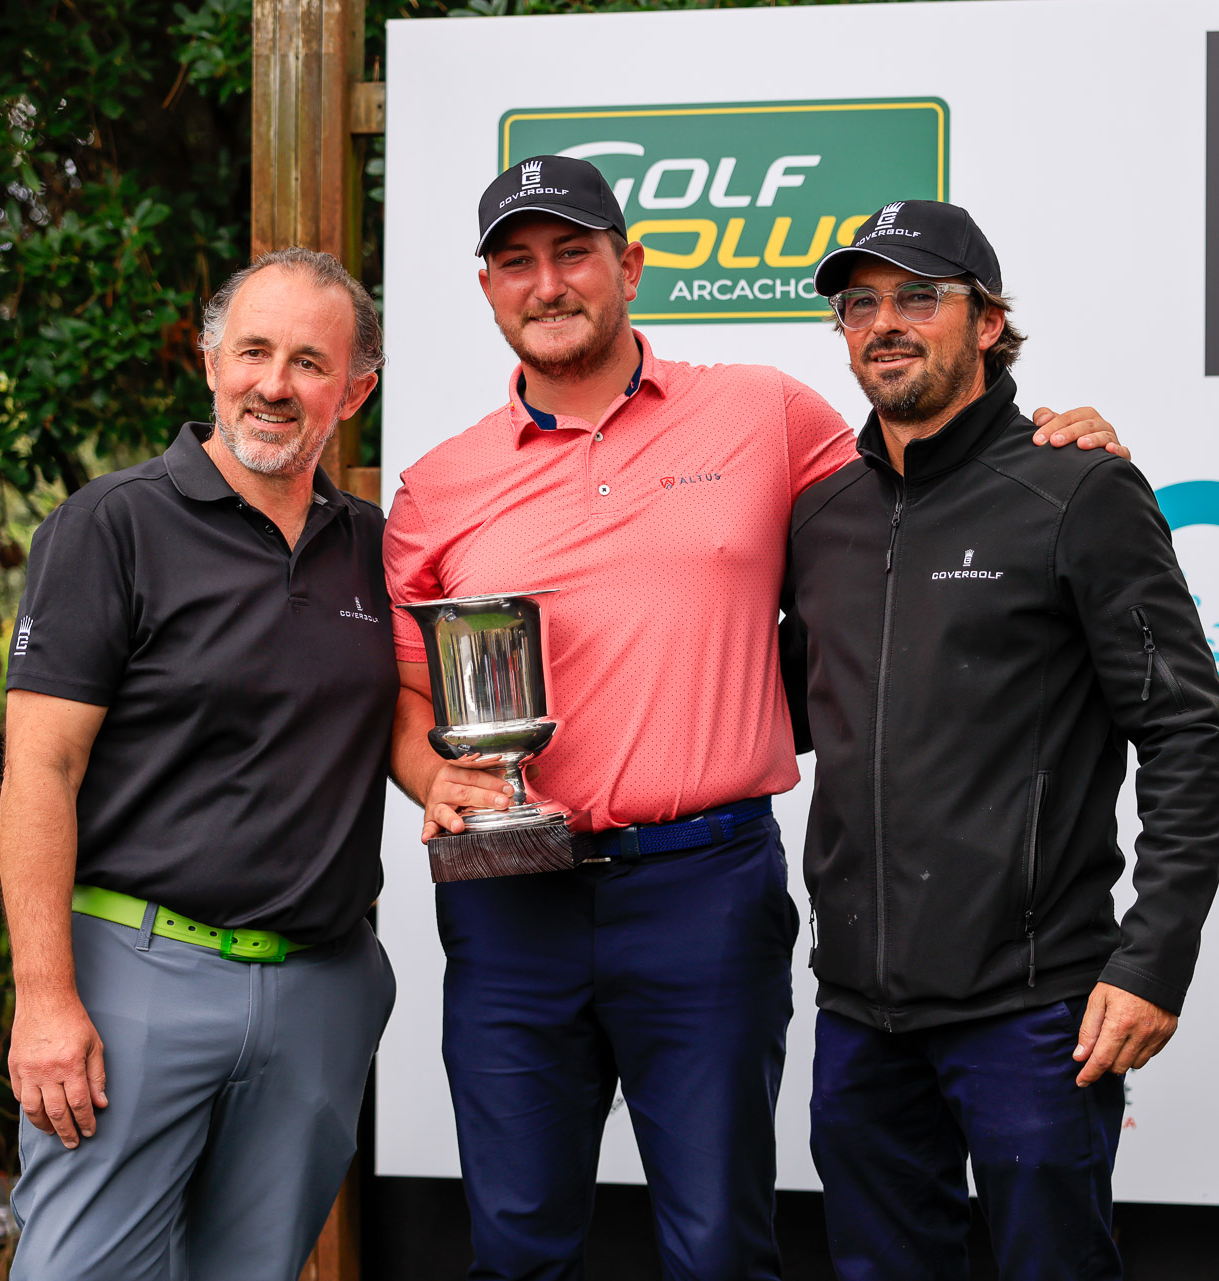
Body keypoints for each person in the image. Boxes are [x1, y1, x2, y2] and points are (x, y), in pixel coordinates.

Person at [382, 157, 1128, 1281]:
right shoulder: (438, 484)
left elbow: (923, 481)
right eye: (517, 262)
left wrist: (1053, 443)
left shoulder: (764, 413)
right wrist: (429, 775)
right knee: (515, 1246)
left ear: (631, 267)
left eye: (574, 253)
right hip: (510, 902)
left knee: (721, 1246)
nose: (548, 284)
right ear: (486, 286)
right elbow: (409, 690)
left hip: (703, 887)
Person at [781, 200, 1219, 1281]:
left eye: (918, 297)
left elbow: (1186, 731)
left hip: (1034, 1013)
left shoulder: (1079, 488)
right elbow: (782, 709)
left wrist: (1154, 959)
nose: (885, 323)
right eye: (860, 305)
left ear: (987, 323)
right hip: (859, 1015)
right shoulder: (823, 516)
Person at [0, 248, 397, 1280]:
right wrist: (44, 997)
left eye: (309, 362)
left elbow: (408, 725)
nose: (274, 384)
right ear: (212, 362)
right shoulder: (112, 524)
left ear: (354, 391)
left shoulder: (376, 548)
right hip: (134, 977)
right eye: (253, 352)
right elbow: (41, 770)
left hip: (320, 989)